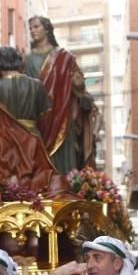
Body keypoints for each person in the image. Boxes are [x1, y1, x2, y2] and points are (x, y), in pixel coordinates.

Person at [0, 46, 57, 193]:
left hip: (5, 145)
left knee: (9, 190)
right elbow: (45, 115)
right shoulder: (37, 85)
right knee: (35, 188)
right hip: (33, 141)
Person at [24, 16, 95, 172]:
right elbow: (26, 90)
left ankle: (66, 190)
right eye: (30, 28)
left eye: (36, 27)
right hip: (38, 118)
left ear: (47, 29)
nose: (32, 31)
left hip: (62, 116)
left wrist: (78, 86)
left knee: (63, 160)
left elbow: (81, 92)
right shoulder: (27, 60)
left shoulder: (65, 57)